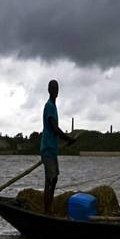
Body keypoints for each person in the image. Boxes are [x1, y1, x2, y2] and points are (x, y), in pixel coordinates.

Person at [40, 79, 75, 214]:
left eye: (57, 89)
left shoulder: (54, 107)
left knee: (53, 180)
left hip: (53, 149)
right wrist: (68, 139)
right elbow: (54, 128)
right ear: (49, 90)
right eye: (53, 89)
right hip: (47, 148)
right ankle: (47, 211)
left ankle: (48, 209)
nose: (55, 91)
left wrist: (68, 139)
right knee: (51, 179)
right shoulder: (49, 106)